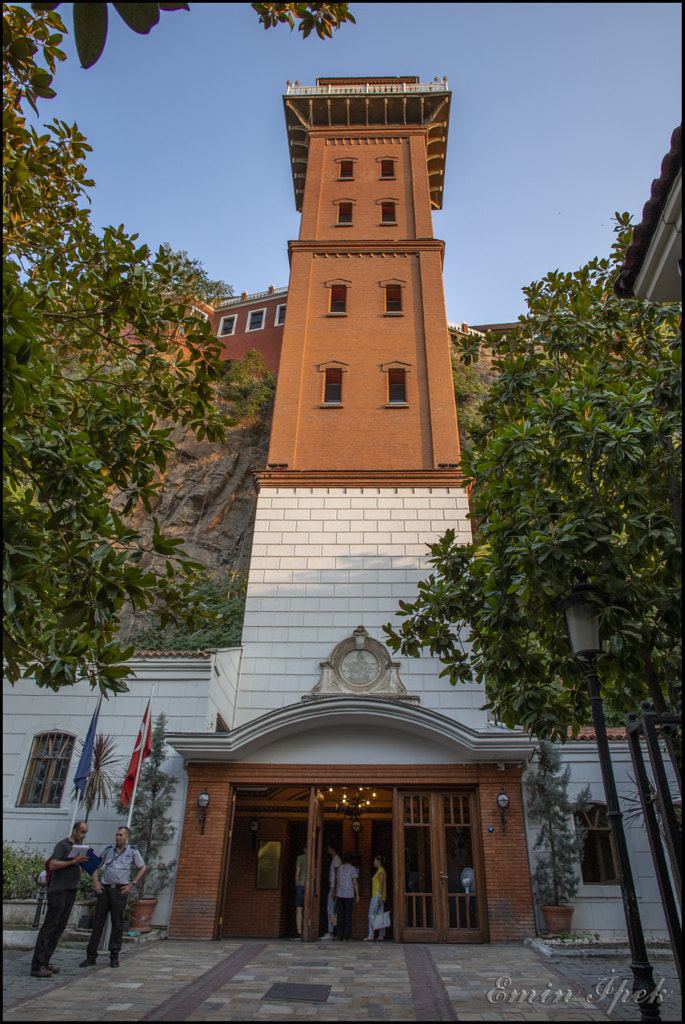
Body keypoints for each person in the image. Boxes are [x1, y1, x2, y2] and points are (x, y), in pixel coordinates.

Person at [30, 820, 90, 978]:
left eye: (85, 833)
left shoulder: (80, 848)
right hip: (58, 890)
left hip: (71, 890)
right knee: (50, 926)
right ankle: (37, 965)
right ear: (75, 831)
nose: (83, 835)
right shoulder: (63, 845)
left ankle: (46, 960)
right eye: (82, 832)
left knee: (59, 927)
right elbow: (53, 864)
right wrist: (73, 861)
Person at [80, 826, 146, 968]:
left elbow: (142, 867)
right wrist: (96, 882)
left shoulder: (132, 851)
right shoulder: (108, 850)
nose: (117, 837)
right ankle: (91, 956)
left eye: (120, 835)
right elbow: (96, 866)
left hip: (120, 891)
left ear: (127, 837)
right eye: (116, 835)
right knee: (98, 923)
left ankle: (114, 955)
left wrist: (132, 884)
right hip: (105, 889)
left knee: (117, 924)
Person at [335, 851, 359, 941]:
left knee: (340, 915)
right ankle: (346, 936)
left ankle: (339, 935)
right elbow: (355, 882)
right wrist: (357, 894)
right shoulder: (353, 869)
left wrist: (336, 891)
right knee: (348, 915)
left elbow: (337, 880)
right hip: (349, 894)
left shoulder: (340, 868)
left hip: (340, 894)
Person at [364, 853, 388, 941]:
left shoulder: (380, 872)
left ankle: (371, 934)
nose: (374, 862)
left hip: (377, 895)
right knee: (380, 915)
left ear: (379, 861)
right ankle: (381, 935)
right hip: (380, 895)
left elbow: (380, 885)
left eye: (375, 861)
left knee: (371, 914)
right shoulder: (381, 871)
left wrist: (379, 896)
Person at [321, 841, 341, 940]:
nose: (327, 849)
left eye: (329, 848)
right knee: (333, 909)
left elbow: (337, 875)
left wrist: (335, 890)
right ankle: (334, 930)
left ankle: (331, 931)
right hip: (333, 887)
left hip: (334, 887)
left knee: (330, 909)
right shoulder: (335, 859)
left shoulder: (336, 859)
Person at [292, 844, 307, 940]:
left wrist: (296, 884)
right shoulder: (314, 859)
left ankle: (299, 931)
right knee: (309, 908)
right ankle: (308, 930)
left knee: (299, 909)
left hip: (301, 884)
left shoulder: (300, 858)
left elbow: (297, 873)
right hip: (310, 886)